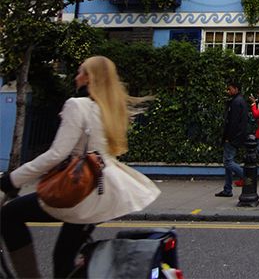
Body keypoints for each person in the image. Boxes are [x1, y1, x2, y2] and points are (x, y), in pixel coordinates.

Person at [0, 56, 160, 278]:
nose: (75, 77)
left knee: (10, 214)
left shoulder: (77, 105)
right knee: (63, 257)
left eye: (79, 72)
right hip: (104, 189)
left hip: (80, 188)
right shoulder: (111, 109)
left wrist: (11, 180)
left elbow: (56, 154)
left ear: (89, 78)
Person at [215, 80, 247, 197]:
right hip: (236, 136)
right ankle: (227, 189)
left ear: (236, 89)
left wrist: (229, 137)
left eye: (230, 89)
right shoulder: (240, 101)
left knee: (228, 162)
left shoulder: (236, 102)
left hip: (232, 137)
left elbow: (233, 123)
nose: (228, 91)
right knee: (227, 162)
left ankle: (246, 177)